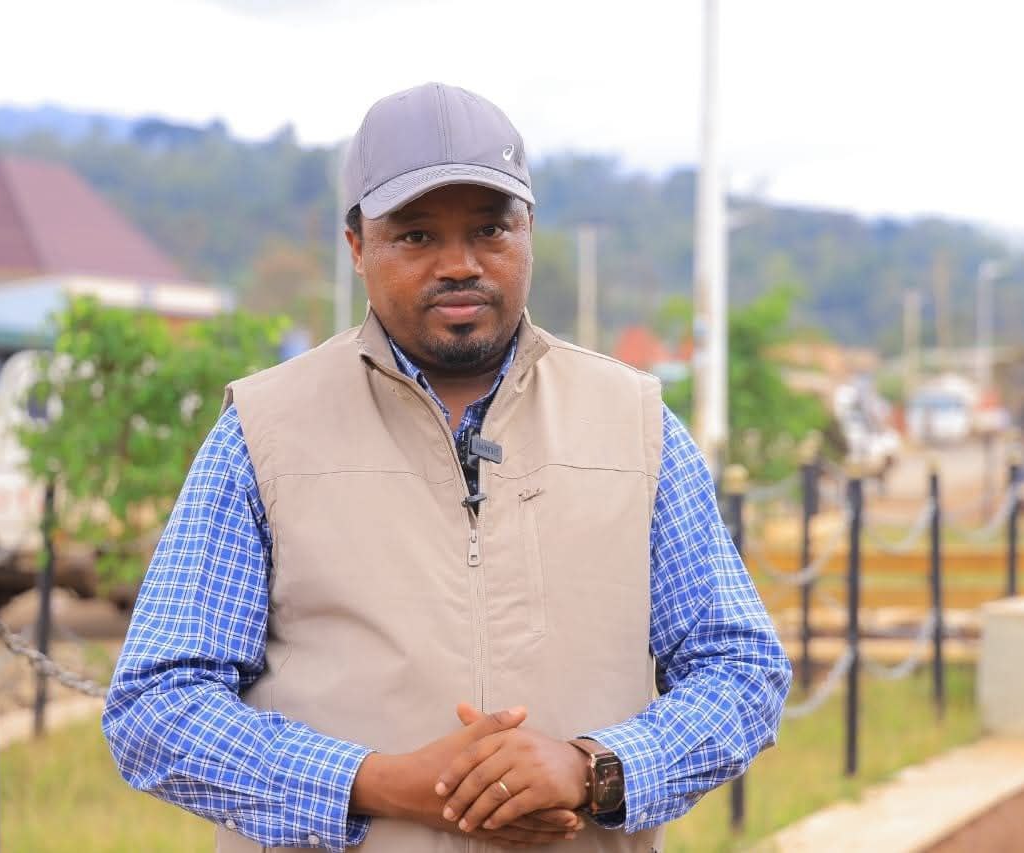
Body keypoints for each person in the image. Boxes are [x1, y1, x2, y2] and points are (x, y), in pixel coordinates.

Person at [104, 82, 790, 852]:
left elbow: (741, 671)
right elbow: (157, 705)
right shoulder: (263, 433)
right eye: (417, 235)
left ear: (529, 231)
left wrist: (596, 768)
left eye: (490, 229)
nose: (460, 264)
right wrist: (374, 782)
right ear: (357, 245)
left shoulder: (636, 425)